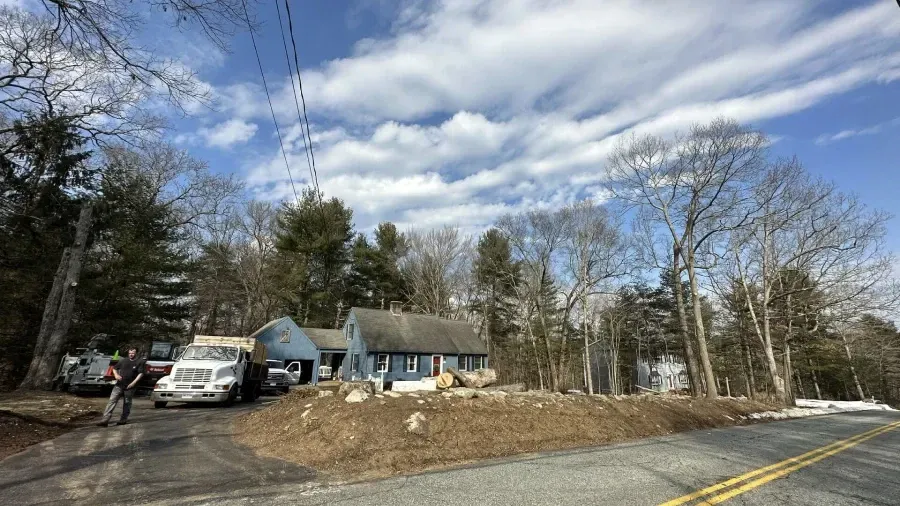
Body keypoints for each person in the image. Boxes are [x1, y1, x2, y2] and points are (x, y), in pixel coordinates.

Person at [97, 347, 145, 427]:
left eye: (132, 353)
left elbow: (141, 374)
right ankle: (105, 420)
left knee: (127, 402)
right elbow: (114, 368)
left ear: (136, 353)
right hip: (119, 385)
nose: (131, 355)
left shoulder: (140, 362)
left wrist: (133, 383)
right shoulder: (124, 360)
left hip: (130, 386)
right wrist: (116, 375)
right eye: (129, 353)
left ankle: (123, 419)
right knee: (112, 401)